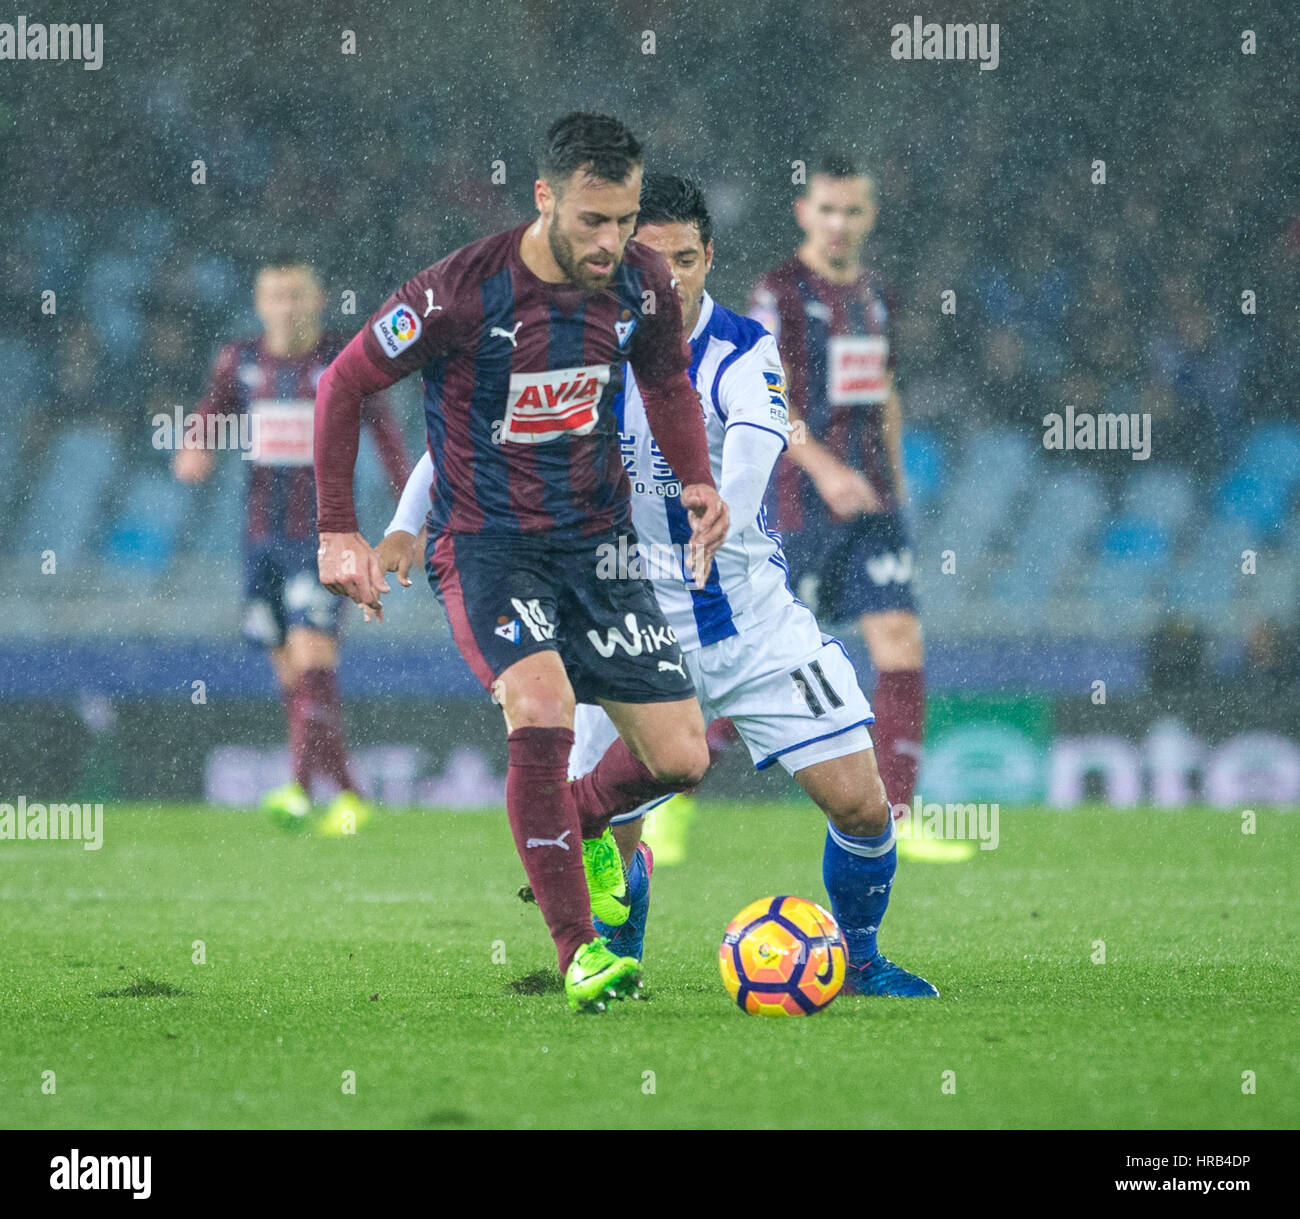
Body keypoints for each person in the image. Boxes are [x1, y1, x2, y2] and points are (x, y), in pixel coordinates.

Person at [384, 175, 936, 996]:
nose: (669, 278)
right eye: (653, 259)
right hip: (624, 618)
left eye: (686, 259)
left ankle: (858, 957)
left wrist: (728, 511)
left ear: (710, 255)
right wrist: (403, 518)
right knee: (618, 824)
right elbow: (474, 438)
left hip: (749, 616)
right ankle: (615, 958)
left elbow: (754, 434)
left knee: (864, 806)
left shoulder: (744, 346)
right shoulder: (572, 339)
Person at [313, 114, 728, 1012]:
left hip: (598, 548)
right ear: (544, 198)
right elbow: (344, 382)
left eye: (622, 219)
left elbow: (664, 380)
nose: (612, 241)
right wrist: (338, 529)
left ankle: (569, 821)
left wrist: (697, 480)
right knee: (540, 707)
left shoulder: (642, 283)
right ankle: (580, 950)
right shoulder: (461, 291)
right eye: (592, 220)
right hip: (490, 546)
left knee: (683, 756)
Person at [175, 255, 410, 835]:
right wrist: (196, 444)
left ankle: (301, 790)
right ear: (260, 303)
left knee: (312, 660)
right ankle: (350, 794)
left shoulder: (342, 359)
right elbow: (213, 410)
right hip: (259, 540)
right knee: (293, 678)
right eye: (276, 295)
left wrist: (409, 504)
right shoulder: (242, 360)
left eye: (297, 294)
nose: (287, 306)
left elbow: (383, 432)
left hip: (323, 538)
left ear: (318, 297)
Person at [749, 156, 927, 830]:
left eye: (852, 211)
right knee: (762, 660)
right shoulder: (780, 293)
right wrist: (825, 468)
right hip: (798, 502)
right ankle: (680, 796)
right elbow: (768, 401)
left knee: (899, 639)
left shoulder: (876, 292)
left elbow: (885, 390)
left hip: (872, 503)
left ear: (870, 215)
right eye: (827, 209)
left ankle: (896, 816)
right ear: (803, 212)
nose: (839, 224)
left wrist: (896, 486)